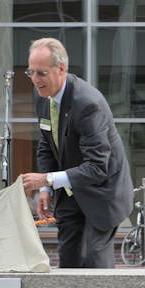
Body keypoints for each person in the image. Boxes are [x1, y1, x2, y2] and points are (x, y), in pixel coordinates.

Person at [21, 38, 133, 268]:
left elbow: (97, 167)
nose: (35, 80)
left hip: (102, 192)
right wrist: (45, 188)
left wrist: (47, 179)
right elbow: (46, 145)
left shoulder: (88, 104)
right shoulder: (42, 96)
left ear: (61, 68)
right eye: (30, 72)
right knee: (68, 259)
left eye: (41, 73)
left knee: (95, 261)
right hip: (71, 191)